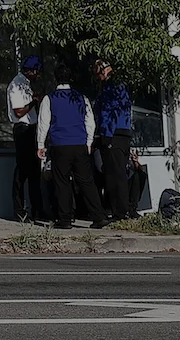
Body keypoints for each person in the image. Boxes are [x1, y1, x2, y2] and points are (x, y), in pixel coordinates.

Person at [37, 64, 106, 229]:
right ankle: (99, 216)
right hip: (79, 144)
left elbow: (43, 123)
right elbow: (90, 122)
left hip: (60, 144)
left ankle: (65, 219)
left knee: (62, 182)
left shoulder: (49, 98)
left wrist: (40, 144)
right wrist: (88, 142)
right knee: (86, 181)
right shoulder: (81, 98)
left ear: (55, 78)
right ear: (71, 78)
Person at [92, 58, 135, 221]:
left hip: (113, 135)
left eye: (98, 74)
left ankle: (119, 212)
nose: (97, 78)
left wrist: (106, 137)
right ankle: (122, 210)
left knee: (114, 175)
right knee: (120, 173)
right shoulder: (122, 86)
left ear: (104, 70)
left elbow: (107, 114)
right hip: (124, 134)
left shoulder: (110, 88)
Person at [7, 56, 46, 223]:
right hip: (23, 129)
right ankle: (19, 210)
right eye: (37, 72)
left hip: (32, 128)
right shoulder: (16, 85)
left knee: (34, 171)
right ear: (31, 71)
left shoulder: (26, 84)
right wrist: (33, 102)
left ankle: (37, 209)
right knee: (22, 170)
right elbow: (18, 112)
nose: (38, 76)